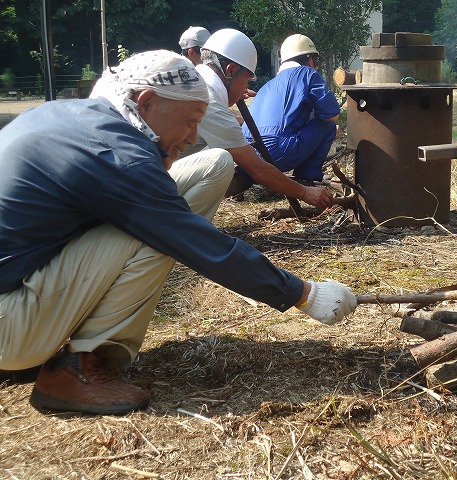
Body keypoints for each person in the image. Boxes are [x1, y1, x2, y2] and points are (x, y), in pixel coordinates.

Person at [0, 50, 357, 415]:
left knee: (212, 164)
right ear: (148, 101)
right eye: (189, 121)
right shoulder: (115, 155)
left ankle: (51, 340)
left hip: (17, 285)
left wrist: (163, 153)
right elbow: (198, 242)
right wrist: (301, 293)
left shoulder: (81, 118)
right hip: (7, 327)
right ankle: (81, 368)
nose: (192, 137)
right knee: (160, 230)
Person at [188, 28, 334, 209]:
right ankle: (186, 231)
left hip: (158, 174)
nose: (247, 86)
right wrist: (304, 192)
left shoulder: (192, 80)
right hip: (155, 188)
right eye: (247, 79)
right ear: (231, 69)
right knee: (220, 161)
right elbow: (331, 114)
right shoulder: (209, 101)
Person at [241, 34, 340, 184]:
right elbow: (331, 115)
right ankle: (307, 177)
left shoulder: (268, 85)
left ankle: (245, 179)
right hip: (278, 152)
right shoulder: (308, 74)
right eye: (316, 60)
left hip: (248, 156)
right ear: (309, 59)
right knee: (329, 126)